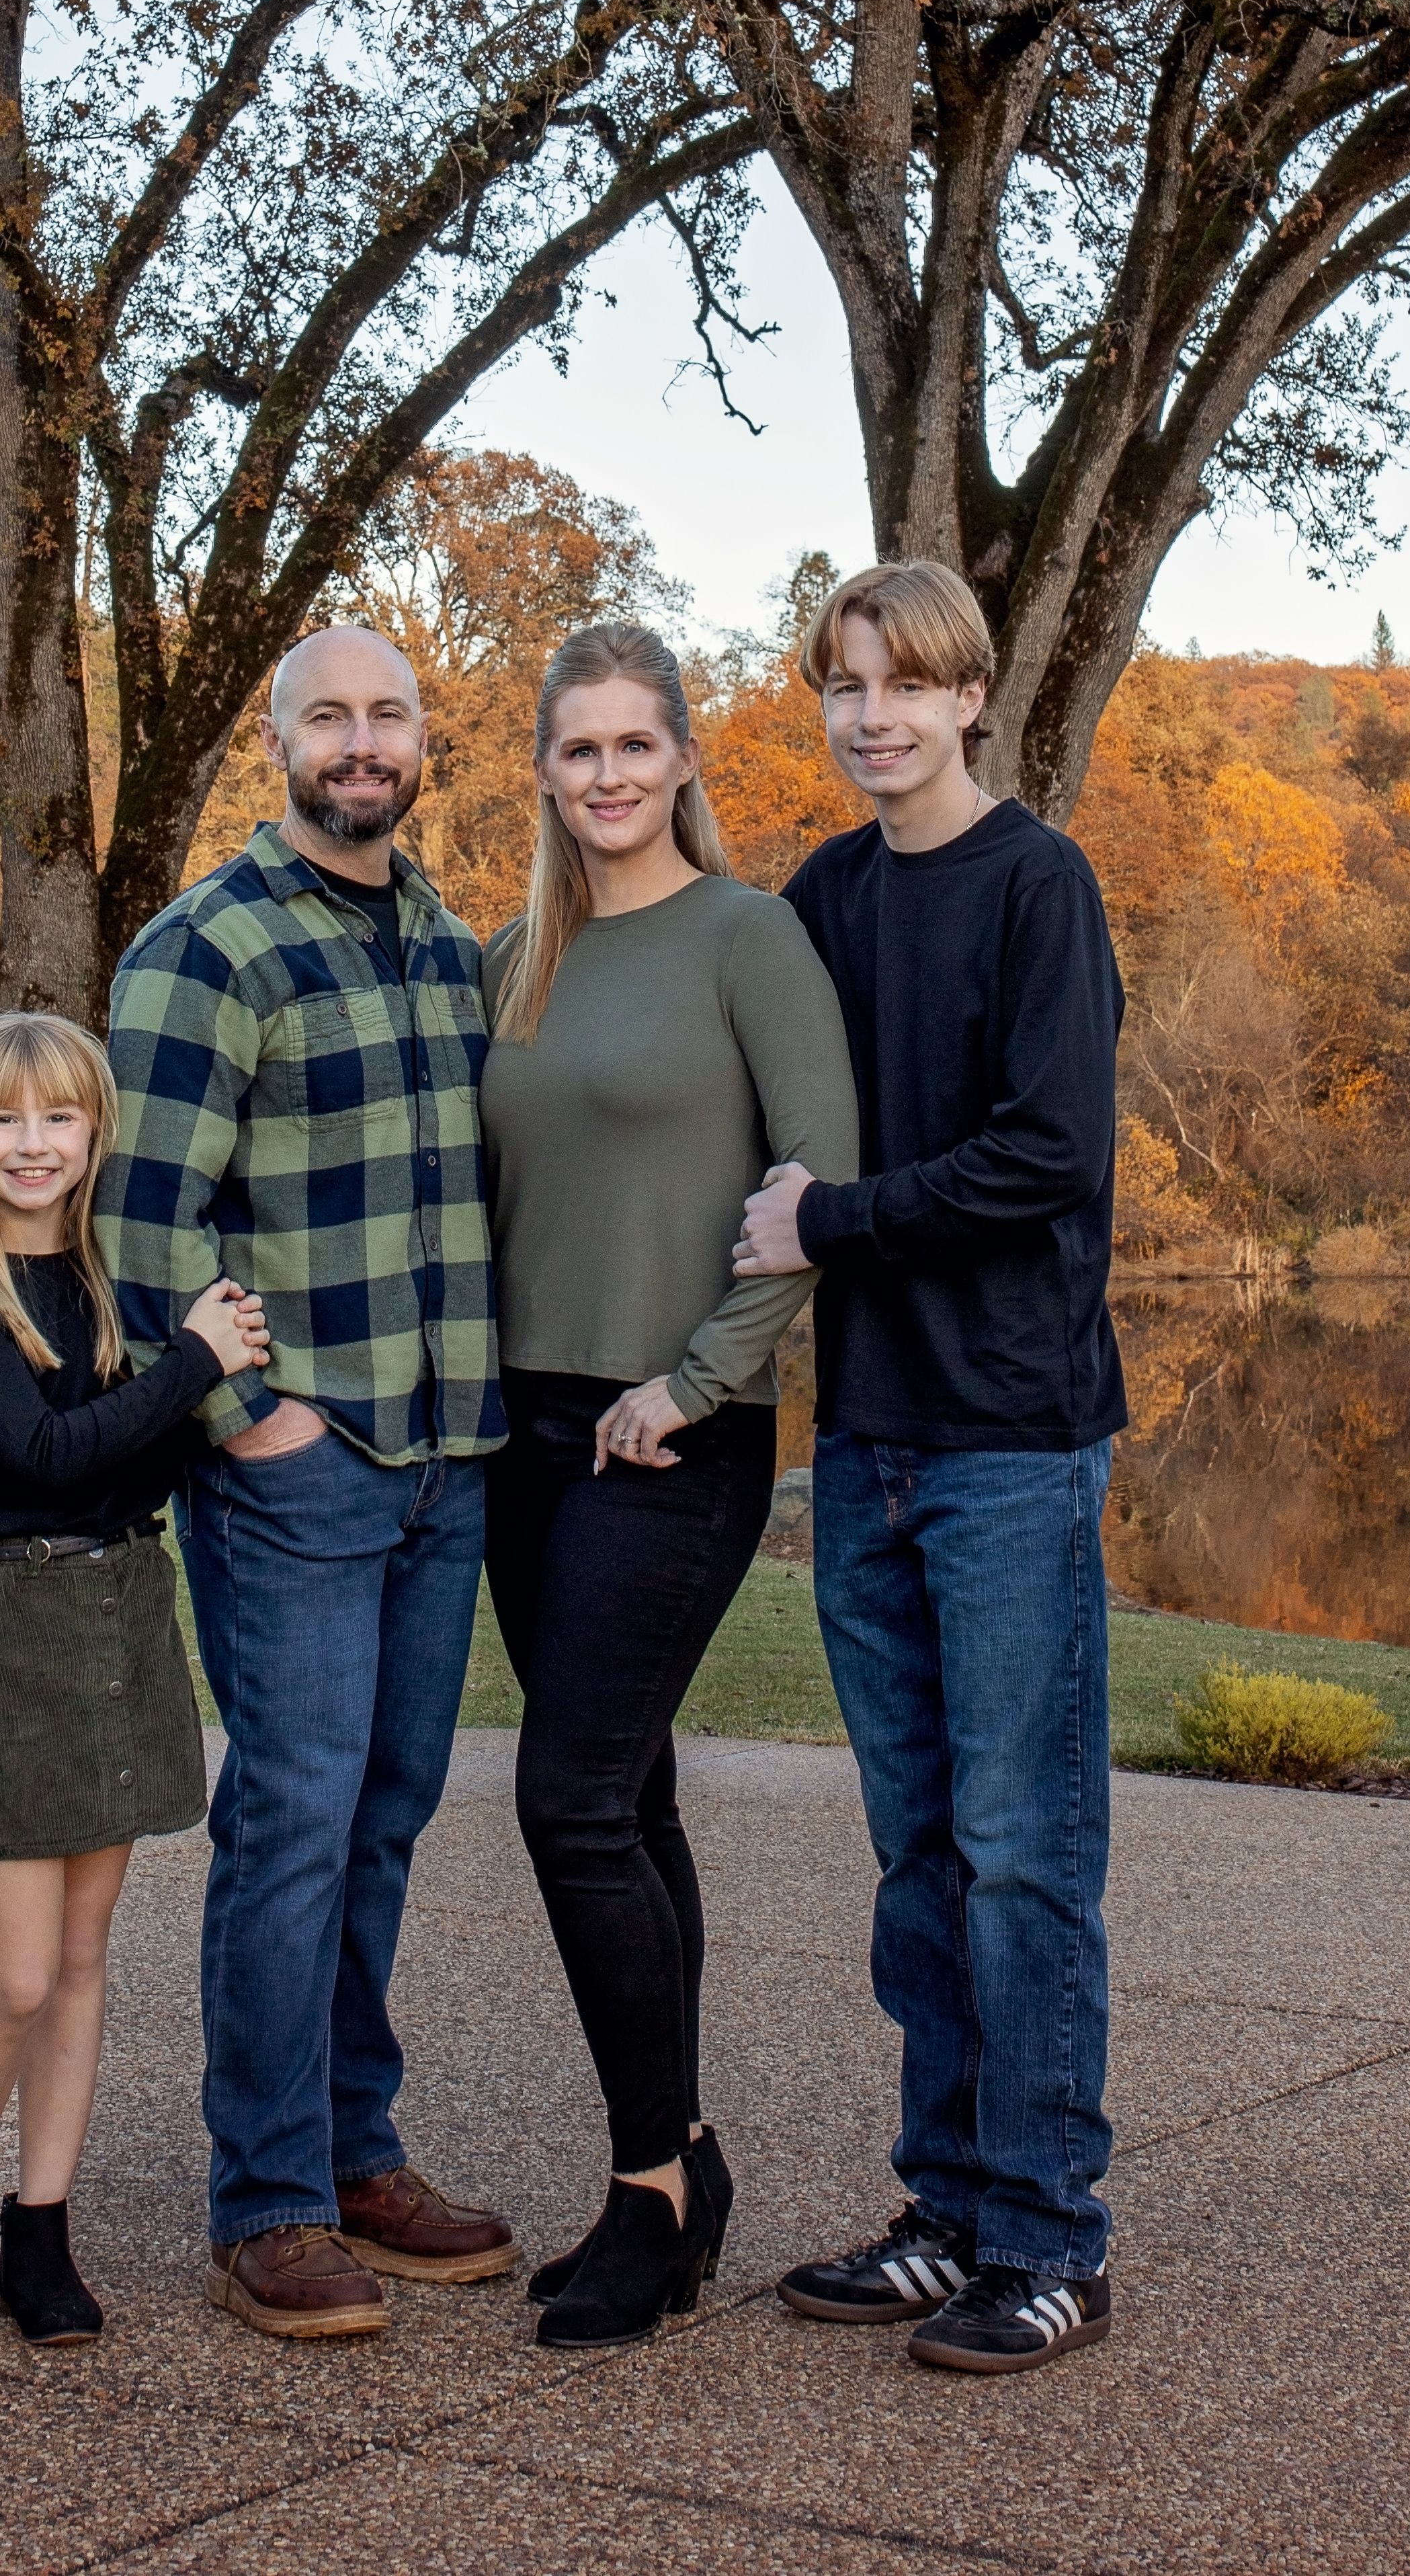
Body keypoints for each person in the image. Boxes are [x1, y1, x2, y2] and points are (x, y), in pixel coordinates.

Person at [97, 625, 517, 2341]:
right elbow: (139, 1224)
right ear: (278, 741)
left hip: (445, 1456)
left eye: (387, 713)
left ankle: (356, 2151)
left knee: (389, 1818)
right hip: (300, 1466)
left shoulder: (450, 944)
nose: (361, 742)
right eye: (327, 716)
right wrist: (243, 1413)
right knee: (290, 1824)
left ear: (425, 738)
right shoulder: (206, 945)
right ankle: (265, 2196)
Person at [736, 561, 1126, 2378]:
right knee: (915, 1855)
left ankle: (1047, 2239)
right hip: (869, 1439)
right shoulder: (818, 897)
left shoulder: (1038, 889)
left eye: (906, 686)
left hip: (1011, 1446)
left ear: (970, 700)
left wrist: (829, 1224)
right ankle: (949, 2209)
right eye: (844, 687)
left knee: (1019, 1855)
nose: (872, 715)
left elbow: (1042, 1157)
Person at [479, 622, 858, 2351]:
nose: (609, 775)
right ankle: (685, 2167)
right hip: (526, 1439)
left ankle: (646, 2188)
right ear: (546, 772)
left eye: (638, 744)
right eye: (579, 751)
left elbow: (816, 1186)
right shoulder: (517, 961)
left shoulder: (746, 936)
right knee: (625, 1802)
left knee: (564, 1801)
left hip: (676, 1432)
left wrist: (697, 1383)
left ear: (684, 758)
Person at [0, 1010, 274, 2349]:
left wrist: (181, 1380)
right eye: (3, 1117)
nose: (32, 1143)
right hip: (11, 1623)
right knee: (12, 1973)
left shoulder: (112, 1280)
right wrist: (193, 1364)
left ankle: (41, 2228)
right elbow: (47, 1454)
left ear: (94, 1130)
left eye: (58, 1116)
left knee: (80, 1963)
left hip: (122, 1605)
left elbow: (135, 1468)